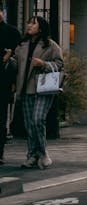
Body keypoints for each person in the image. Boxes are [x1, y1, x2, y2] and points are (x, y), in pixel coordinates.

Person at [3, 16, 63, 169]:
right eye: (29, 23)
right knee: (30, 124)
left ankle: (43, 153)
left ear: (41, 28)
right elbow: (16, 65)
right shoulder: (22, 45)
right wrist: (9, 59)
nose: (29, 25)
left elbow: (59, 64)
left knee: (37, 120)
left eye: (33, 23)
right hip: (25, 88)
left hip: (43, 88)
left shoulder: (50, 45)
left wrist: (44, 64)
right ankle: (32, 155)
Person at [0, 10, 21, 164]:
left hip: (4, 81)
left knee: (1, 117)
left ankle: (0, 153)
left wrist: (15, 82)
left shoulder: (12, 32)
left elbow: (18, 59)